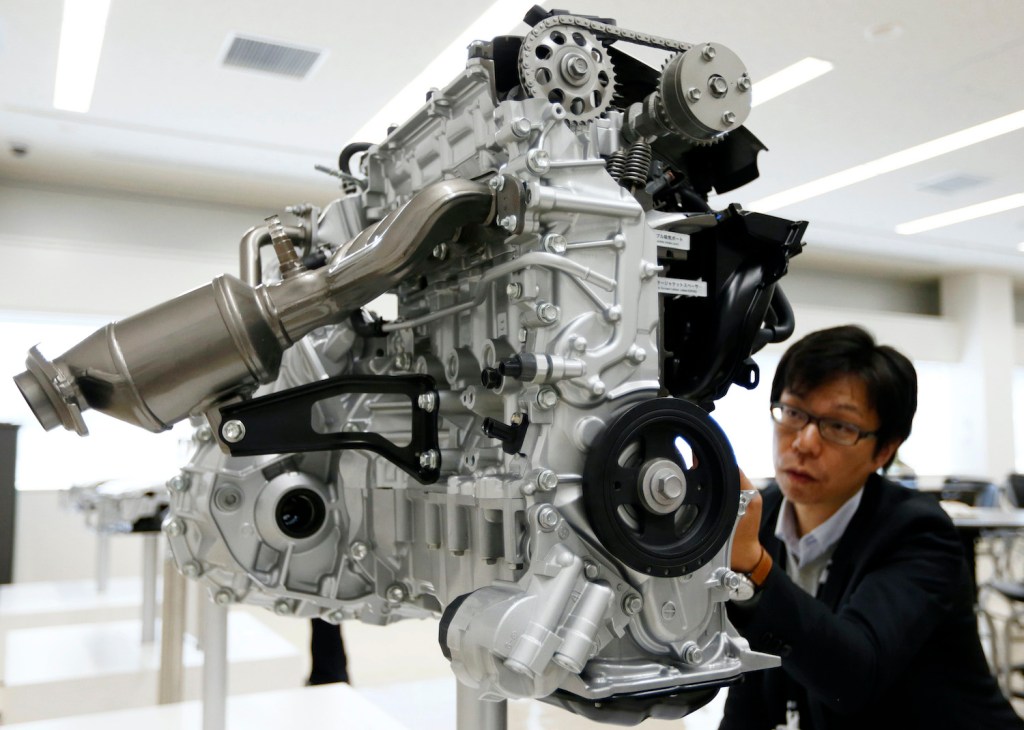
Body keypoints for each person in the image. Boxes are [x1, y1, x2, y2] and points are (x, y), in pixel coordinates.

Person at [720, 325, 1022, 729]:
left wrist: (756, 569)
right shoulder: (764, 514)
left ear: (884, 450)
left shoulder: (918, 532)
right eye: (793, 412)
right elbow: (751, 677)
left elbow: (854, 675)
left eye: (839, 426)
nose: (804, 442)